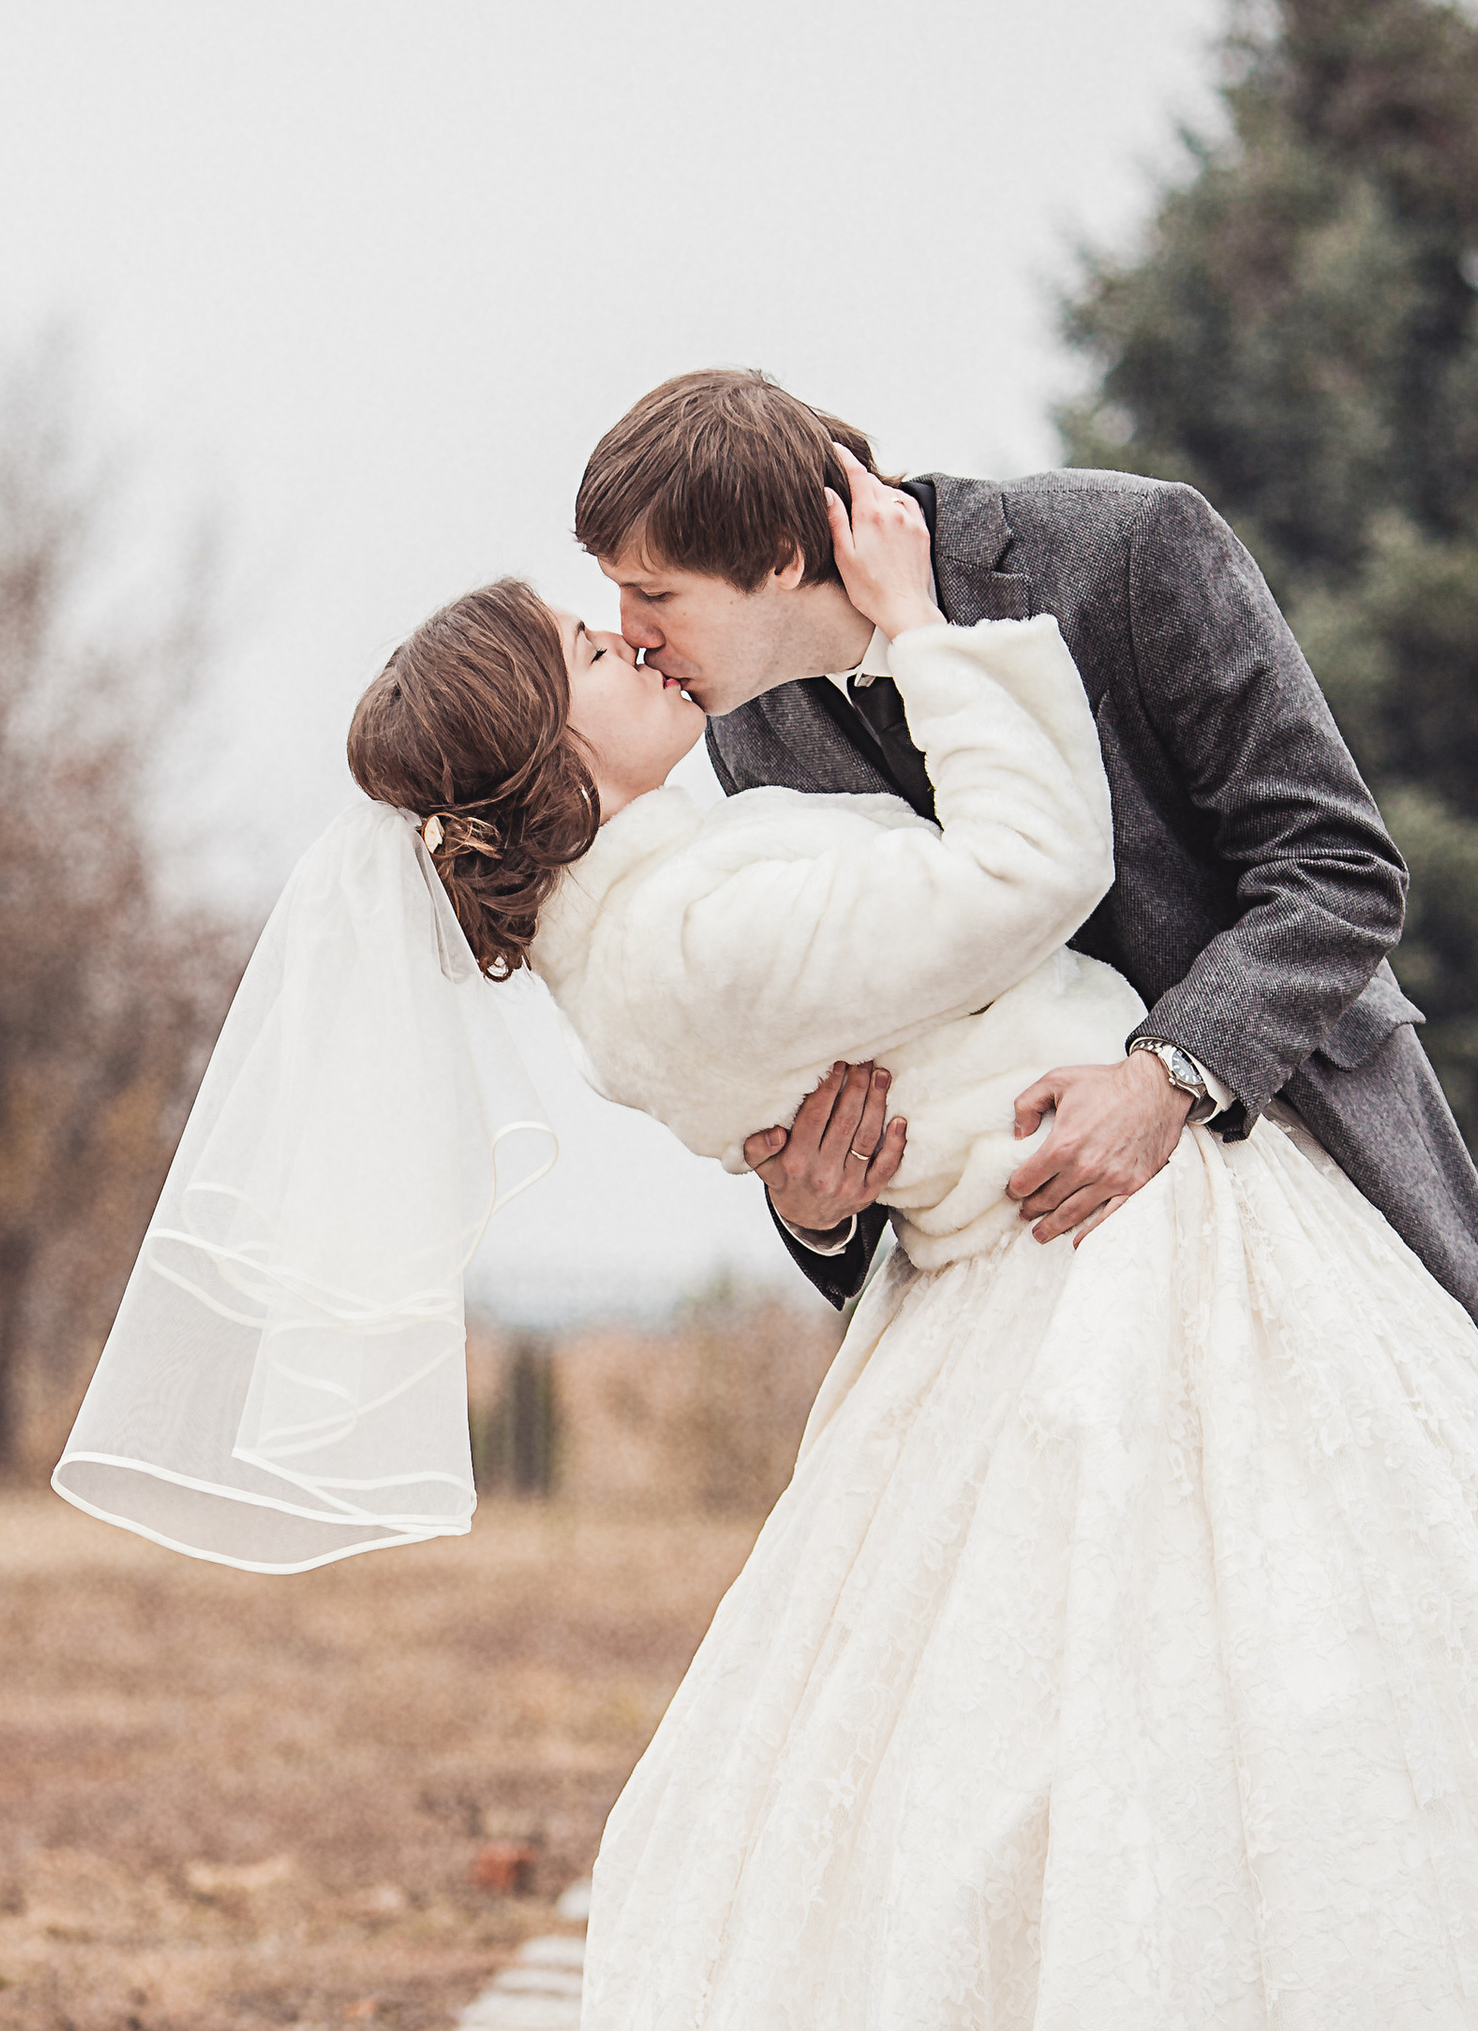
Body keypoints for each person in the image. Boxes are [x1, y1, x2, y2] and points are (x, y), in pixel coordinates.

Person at [55, 467, 1478, 2031]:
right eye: (590, 634)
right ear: (549, 758)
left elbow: (1276, 898)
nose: (628, 633)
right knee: (1146, 1742)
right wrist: (925, 642)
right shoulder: (689, 901)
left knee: (1210, 1722)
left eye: (637, 598)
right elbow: (1028, 872)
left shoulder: (685, 875)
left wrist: (883, 1166)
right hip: (1074, 1270)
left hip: (1103, 1228)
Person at [576, 367, 1478, 1323]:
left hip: (1300, 1155)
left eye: (654, 592)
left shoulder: (1129, 548)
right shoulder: (746, 727)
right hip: (1025, 1268)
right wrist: (816, 1211)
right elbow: (849, 1018)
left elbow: (1339, 866)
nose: (630, 635)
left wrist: (1164, 1077)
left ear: (785, 558)